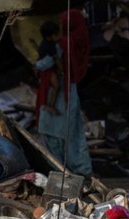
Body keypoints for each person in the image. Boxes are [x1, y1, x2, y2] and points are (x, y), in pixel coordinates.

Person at [35, 9, 92, 176]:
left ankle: (58, 167)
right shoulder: (80, 38)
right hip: (70, 91)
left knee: (54, 132)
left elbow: (44, 64)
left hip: (61, 94)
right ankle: (80, 168)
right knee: (73, 133)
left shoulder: (62, 44)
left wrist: (37, 65)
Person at [36, 20, 63, 118]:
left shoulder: (45, 43)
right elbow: (56, 60)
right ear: (48, 37)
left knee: (50, 88)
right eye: (56, 35)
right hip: (48, 71)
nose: (58, 36)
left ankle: (49, 105)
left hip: (46, 69)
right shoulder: (50, 46)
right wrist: (62, 70)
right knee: (56, 86)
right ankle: (50, 106)